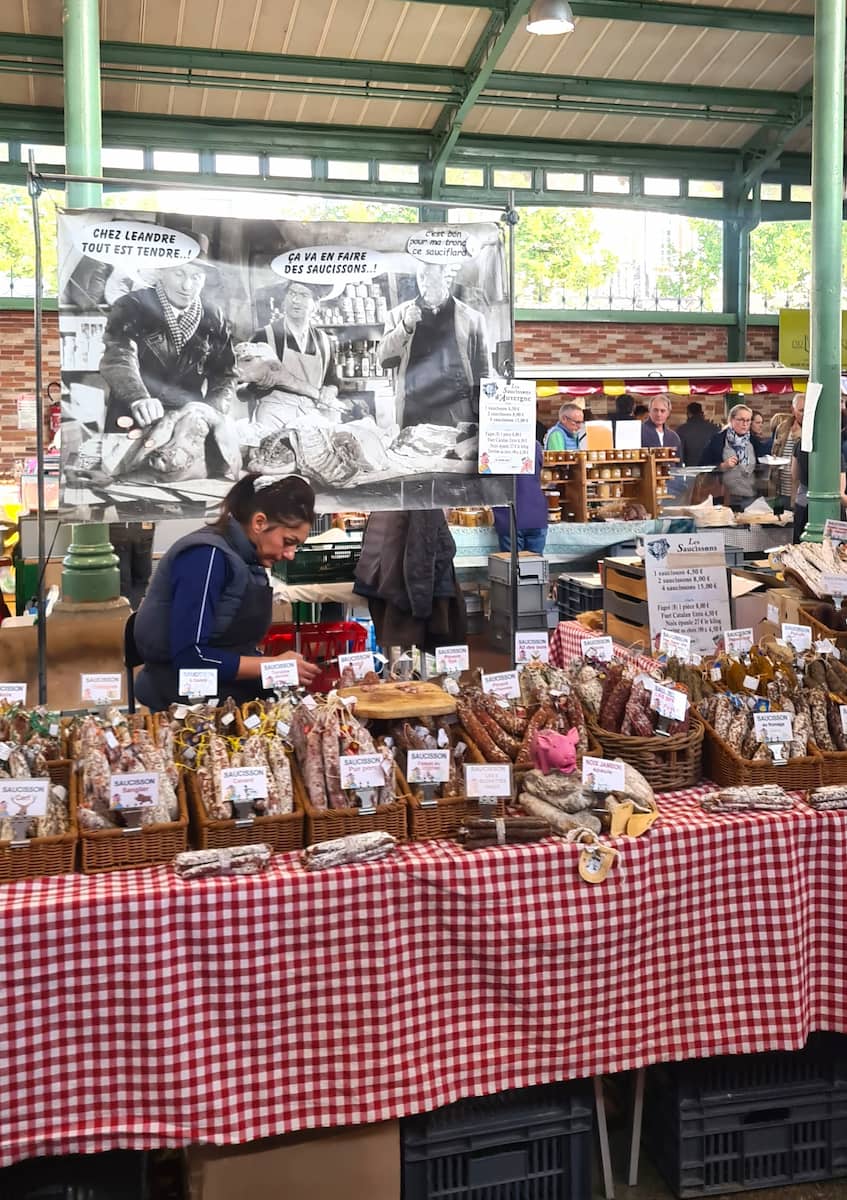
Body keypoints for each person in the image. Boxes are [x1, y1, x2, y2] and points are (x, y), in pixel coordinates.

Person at [132, 474, 320, 711]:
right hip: (186, 701)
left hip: (230, 689)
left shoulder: (249, 559)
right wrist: (272, 666)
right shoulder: (205, 557)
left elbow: (234, 646)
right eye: (288, 541)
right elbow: (191, 658)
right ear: (259, 522)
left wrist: (278, 670)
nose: (290, 554)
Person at [100, 255, 236, 433]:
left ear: (204, 280)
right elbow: (119, 356)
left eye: (196, 277)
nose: (187, 286)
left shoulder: (214, 316)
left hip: (187, 426)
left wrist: (210, 411)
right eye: (179, 274)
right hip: (133, 419)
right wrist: (137, 397)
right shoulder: (131, 305)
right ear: (161, 273)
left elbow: (225, 374)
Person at [378, 262, 490, 429]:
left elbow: (483, 371)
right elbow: (384, 359)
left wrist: (482, 411)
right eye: (421, 277)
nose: (424, 282)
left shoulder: (473, 319)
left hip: (457, 410)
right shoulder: (397, 315)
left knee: (457, 454)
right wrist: (405, 327)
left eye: (429, 276)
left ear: (446, 279)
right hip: (413, 411)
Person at [247, 279, 343, 437]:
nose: (295, 300)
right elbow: (243, 388)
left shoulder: (324, 341)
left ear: (315, 305)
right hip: (273, 418)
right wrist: (258, 387)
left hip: (311, 418)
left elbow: (332, 379)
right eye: (292, 293)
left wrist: (331, 389)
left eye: (304, 295)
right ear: (284, 300)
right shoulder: (264, 336)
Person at [700, 404, 760, 510]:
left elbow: (760, 465)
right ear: (732, 420)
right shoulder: (718, 440)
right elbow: (703, 465)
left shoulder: (753, 441)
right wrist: (722, 466)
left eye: (748, 420)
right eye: (741, 420)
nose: (745, 424)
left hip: (750, 496)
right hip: (725, 497)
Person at [492, 441, 548, 554]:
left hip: (509, 513)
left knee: (512, 568)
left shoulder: (495, 443)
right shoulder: (534, 444)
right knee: (535, 566)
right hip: (536, 511)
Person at [792, 440, 847, 542]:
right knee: (835, 553)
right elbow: (840, 494)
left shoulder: (800, 444)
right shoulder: (833, 449)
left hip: (802, 504)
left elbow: (794, 475)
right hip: (832, 514)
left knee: (801, 551)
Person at [109, 521, 155, 611]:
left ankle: (126, 615)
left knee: (122, 581)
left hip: (117, 526)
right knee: (141, 579)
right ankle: (134, 615)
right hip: (143, 525)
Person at [770, 394, 805, 508]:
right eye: (801, 410)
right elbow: (774, 452)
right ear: (793, 410)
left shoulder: (812, 430)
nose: (804, 414)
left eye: (806, 410)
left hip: (800, 489)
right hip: (781, 487)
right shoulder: (782, 428)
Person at [676, 401, 718, 467]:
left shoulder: (682, 430)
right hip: (711, 471)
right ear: (702, 413)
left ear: (689, 414)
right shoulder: (715, 429)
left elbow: (679, 455)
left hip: (690, 471)